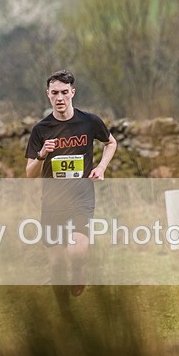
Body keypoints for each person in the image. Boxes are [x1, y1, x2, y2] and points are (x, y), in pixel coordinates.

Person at [25, 69, 118, 296]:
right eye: (54, 93)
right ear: (48, 94)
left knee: (76, 253)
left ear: (72, 93)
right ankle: (63, 310)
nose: (59, 98)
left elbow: (111, 143)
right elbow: (29, 173)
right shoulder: (41, 130)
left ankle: (78, 271)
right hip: (53, 202)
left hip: (81, 198)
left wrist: (101, 167)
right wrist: (42, 155)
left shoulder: (90, 122)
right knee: (57, 264)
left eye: (64, 92)